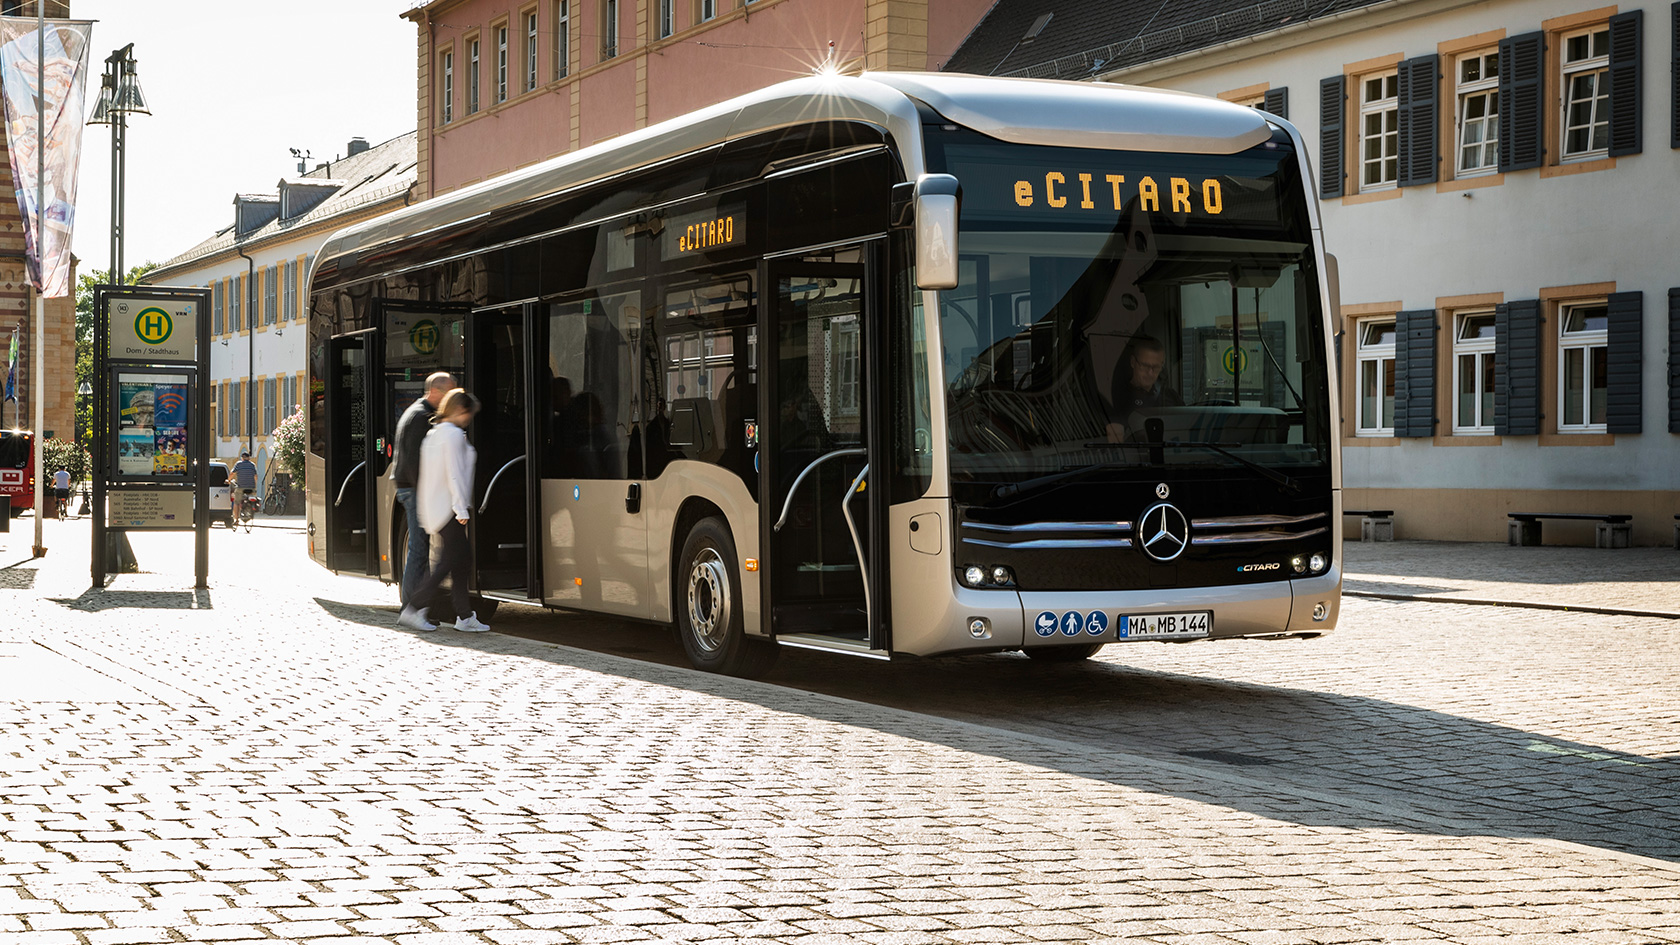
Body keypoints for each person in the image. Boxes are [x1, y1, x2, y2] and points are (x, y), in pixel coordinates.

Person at [398, 389, 488, 633]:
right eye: (469, 413)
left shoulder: (434, 434)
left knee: (460, 561)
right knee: (450, 561)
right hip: (450, 508)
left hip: (437, 507)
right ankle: (415, 608)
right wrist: (461, 509)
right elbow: (455, 474)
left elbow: (431, 476)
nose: (469, 418)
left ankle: (464, 615)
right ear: (461, 411)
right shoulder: (453, 436)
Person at [393, 371, 456, 606]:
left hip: (408, 488)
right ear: (437, 392)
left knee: (419, 547)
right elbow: (413, 462)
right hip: (413, 490)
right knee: (419, 549)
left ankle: (418, 605)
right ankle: (411, 606)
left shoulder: (416, 411)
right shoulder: (421, 417)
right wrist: (426, 495)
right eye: (449, 393)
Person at [1106, 335, 1183, 442]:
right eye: (1145, 366)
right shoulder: (1117, 399)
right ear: (1133, 362)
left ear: (1162, 365)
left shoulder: (1171, 397)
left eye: (1156, 367)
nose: (1150, 373)